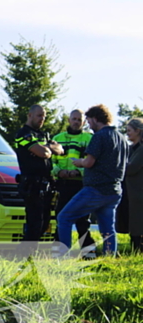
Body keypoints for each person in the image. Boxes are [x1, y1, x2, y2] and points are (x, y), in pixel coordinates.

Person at [57, 104, 129, 256]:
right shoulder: (121, 138)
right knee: (108, 228)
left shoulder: (99, 136)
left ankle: (61, 257)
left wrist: (79, 162)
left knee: (64, 217)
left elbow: (89, 162)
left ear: (96, 119)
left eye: (89, 121)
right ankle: (110, 256)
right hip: (114, 190)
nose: (89, 125)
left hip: (95, 189)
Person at [14, 105, 64, 241]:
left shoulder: (43, 135)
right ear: (30, 115)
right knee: (34, 222)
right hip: (32, 184)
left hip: (46, 184)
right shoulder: (23, 134)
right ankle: (24, 254)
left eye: (44, 116)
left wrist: (47, 148)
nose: (42, 119)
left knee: (45, 222)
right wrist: (48, 148)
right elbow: (44, 153)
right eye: (39, 115)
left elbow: (60, 149)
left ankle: (32, 254)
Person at [51, 109, 96, 255]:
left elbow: (93, 163)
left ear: (84, 122)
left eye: (79, 120)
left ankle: (88, 252)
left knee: (82, 220)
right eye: (74, 119)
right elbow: (50, 161)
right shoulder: (57, 138)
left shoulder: (89, 138)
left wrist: (79, 172)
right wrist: (58, 171)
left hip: (80, 184)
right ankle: (58, 251)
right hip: (62, 184)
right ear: (69, 120)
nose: (76, 122)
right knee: (61, 217)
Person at [125, 118, 143, 252]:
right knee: (133, 221)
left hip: (139, 192)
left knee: (138, 221)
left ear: (138, 131)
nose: (127, 133)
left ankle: (138, 250)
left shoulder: (141, 150)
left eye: (130, 131)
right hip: (131, 192)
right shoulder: (130, 149)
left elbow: (131, 168)